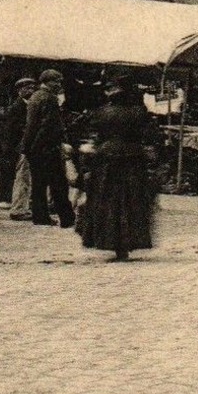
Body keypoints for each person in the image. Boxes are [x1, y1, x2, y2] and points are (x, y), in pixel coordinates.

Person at [77, 74, 158, 261]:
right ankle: (129, 242)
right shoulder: (140, 112)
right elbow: (150, 136)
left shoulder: (101, 112)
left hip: (106, 159)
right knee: (132, 201)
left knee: (106, 200)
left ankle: (106, 239)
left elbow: (94, 135)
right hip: (132, 159)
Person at [20, 70, 75, 229]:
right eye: (56, 81)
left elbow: (30, 126)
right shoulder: (49, 98)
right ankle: (67, 218)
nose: (59, 85)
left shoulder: (35, 97)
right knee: (59, 184)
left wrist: (27, 147)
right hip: (48, 147)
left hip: (34, 149)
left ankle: (40, 216)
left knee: (38, 184)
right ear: (46, 81)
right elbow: (48, 126)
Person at [0, 77, 37, 220]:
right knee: (23, 177)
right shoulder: (16, 108)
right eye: (27, 88)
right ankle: (19, 208)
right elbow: (9, 132)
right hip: (20, 149)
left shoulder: (32, 105)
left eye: (33, 88)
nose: (30, 91)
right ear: (20, 90)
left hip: (28, 147)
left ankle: (24, 206)